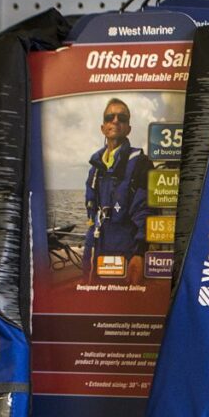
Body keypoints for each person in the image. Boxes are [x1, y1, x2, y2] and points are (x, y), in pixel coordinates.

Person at [84, 97, 152, 283]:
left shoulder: (141, 164)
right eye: (109, 117)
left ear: (128, 128)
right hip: (94, 258)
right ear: (103, 128)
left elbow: (145, 212)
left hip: (126, 259)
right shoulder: (94, 170)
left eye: (122, 118)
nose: (115, 121)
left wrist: (140, 253)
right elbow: (91, 215)